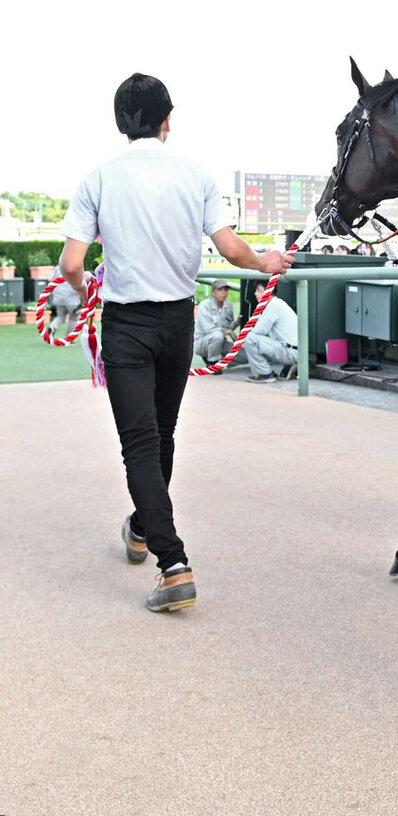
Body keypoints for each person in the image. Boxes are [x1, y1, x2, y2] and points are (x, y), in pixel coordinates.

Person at [58, 72, 292, 612]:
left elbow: (72, 263)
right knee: (161, 434)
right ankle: (143, 528)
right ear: (167, 120)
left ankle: (173, 564)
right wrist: (267, 261)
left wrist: (85, 285)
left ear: (122, 123)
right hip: (176, 323)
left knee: (140, 443)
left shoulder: (98, 178)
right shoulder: (196, 175)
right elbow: (233, 252)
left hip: (126, 323)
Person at [243, 279, 298, 383]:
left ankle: (265, 374)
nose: (255, 294)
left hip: (290, 352)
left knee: (247, 338)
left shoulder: (273, 305)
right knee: (248, 346)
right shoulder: (276, 303)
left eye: (259, 290)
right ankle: (283, 368)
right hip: (292, 350)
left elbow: (257, 332)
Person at [193, 278, 239, 367]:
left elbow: (229, 327)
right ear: (213, 292)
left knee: (244, 354)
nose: (223, 292)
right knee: (217, 335)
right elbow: (209, 330)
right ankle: (212, 363)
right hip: (202, 343)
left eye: (225, 290)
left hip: (220, 343)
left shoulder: (228, 305)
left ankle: (222, 361)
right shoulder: (204, 305)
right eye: (220, 290)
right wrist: (228, 332)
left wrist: (237, 322)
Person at [47, 264, 83, 335]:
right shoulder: (77, 267)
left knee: (60, 316)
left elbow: (50, 279)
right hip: (72, 299)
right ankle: (69, 337)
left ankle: (52, 327)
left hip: (59, 297)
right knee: (74, 318)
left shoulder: (57, 267)